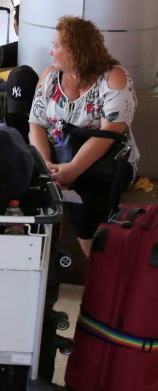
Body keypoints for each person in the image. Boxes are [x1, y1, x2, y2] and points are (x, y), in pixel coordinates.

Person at [28, 16, 138, 256]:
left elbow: (110, 133)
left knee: (85, 196)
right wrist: (45, 164)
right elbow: (36, 124)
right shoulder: (50, 77)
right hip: (57, 159)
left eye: (56, 46)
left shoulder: (113, 77)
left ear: (75, 50)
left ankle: (90, 267)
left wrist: (74, 169)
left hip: (104, 163)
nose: (50, 51)